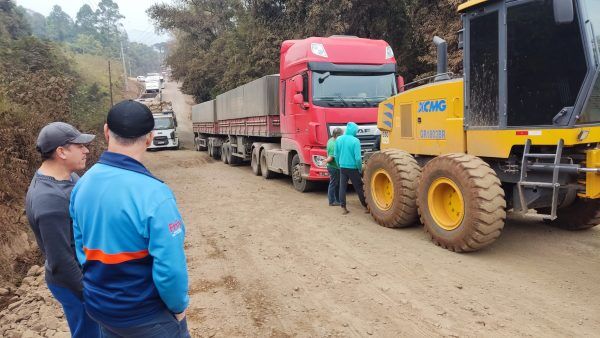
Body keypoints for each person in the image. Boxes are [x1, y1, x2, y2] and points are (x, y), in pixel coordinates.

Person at [70, 100, 190, 337]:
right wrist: (178, 307)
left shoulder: (82, 185)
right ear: (150, 138)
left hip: (100, 307)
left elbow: (80, 248)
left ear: (106, 132)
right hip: (146, 316)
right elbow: (170, 268)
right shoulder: (155, 195)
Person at [25, 122, 100, 338]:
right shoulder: (49, 199)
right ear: (61, 152)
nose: (86, 150)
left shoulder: (68, 177)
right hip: (74, 282)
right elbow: (61, 260)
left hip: (84, 272)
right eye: (79, 146)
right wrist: (89, 294)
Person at [334, 122, 367, 214]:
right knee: (359, 187)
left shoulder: (339, 139)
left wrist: (338, 165)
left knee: (342, 187)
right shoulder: (355, 141)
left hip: (342, 167)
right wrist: (360, 168)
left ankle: (343, 207)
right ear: (354, 131)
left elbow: (336, 155)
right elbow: (357, 158)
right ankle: (365, 207)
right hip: (353, 168)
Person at [325, 127, 343, 206]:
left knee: (336, 184)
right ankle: (332, 201)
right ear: (338, 135)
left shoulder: (330, 140)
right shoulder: (334, 144)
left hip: (332, 167)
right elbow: (331, 157)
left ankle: (337, 199)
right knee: (333, 184)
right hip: (334, 167)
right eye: (341, 134)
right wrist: (326, 160)